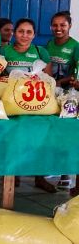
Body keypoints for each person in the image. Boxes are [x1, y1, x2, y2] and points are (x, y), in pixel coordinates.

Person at [0, 18, 55, 193]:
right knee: (11, 138)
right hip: (11, 103)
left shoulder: (41, 52)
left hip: (35, 104)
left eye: (29, 32)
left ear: (34, 35)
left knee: (39, 139)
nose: (24, 35)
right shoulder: (4, 51)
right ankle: (13, 174)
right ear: (14, 33)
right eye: (21, 31)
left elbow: (49, 80)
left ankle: (40, 177)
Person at [46, 11, 79, 189]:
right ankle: (52, 166)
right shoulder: (49, 44)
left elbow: (77, 72)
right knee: (52, 131)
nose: (58, 29)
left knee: (66, 133)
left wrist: (62, 82)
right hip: (52, 93)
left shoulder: (75, 46)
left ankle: (66, 174)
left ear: (69, 26)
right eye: (55, 25)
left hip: (69, 95)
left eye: (62, 25)